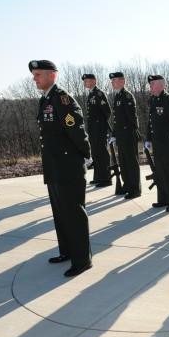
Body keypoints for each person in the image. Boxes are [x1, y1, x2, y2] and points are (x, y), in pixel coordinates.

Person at [29, 60, 93, 277]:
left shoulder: (62, 99)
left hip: (68, 165)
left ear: (52, 75)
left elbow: (76, 129)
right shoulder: (46, 99)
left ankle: (82, 259)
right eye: (34, 74)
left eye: (38, 74)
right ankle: (67, 251)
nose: (34, 78)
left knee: (73, 213)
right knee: (60, 213)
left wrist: (86, 154)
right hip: (54, 165)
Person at [144, 75, 169, 212]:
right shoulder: (153, 100)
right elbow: (151, 123)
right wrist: (148, 139)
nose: (151, 86)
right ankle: (163, 199)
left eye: (153, 83)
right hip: (157, 142)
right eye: (150, 84)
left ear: (162, 85)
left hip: (168, 143)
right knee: (159, 171)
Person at [108, 71, 142, 199]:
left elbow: (132, 118)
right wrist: (114, 134)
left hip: (128, 134)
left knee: (132, 163)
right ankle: (127, 185)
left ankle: (135, 189)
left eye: (114, 80)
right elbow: (117, 120)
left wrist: (131, 131)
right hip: (121, 136)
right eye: (112, 81)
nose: (112, 82)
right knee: (124, 162)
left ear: (122, 82)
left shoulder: (127, 96)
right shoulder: (117, 96)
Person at [82, 73, 112, 187]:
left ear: (94, 81)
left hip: (100, 129)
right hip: (93, 129)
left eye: (87, 81)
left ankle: (106, 179)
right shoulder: (91, 94)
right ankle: (99, 177)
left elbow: (107, 112)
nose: (85, 83)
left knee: (102, 153)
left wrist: (100, 124)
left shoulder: (99, 94)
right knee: (95, 153)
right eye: (84, 81)